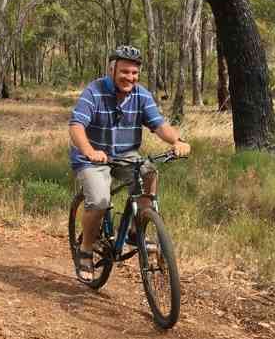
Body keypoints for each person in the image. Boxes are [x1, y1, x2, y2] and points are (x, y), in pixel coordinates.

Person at [69, 45, 190, 281]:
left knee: (149, 172)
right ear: (111, 69)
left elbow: (158, 125)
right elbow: (76, 126)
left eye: (134, 73)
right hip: (93, 157)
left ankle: (136, 231)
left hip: (126, 154)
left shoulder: (141, 95)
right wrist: (90, 151)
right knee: (100, 201)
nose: (130, 78)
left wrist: (177, 140)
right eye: (124, 72)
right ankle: (85, 250)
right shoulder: (94, 92)